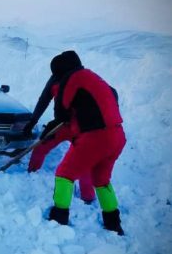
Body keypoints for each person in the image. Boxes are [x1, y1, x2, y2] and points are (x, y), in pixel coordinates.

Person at [43, 51, 126, 235]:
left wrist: (48, 131)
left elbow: (62, 115)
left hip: (96, 137)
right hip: (117, 135)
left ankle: (58, 219)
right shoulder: (95, 78)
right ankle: (113, 223)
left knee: (65, 173)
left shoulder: (71, 79)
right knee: (102, 180)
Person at [22, 64, 95, 203]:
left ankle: (88, 197)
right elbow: (44, 100)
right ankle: (32, 174)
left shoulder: (85, 77)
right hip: (61, 125)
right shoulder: (55, 78)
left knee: (84, 160)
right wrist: (32, 122)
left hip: (82, 127)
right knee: (41, 145)